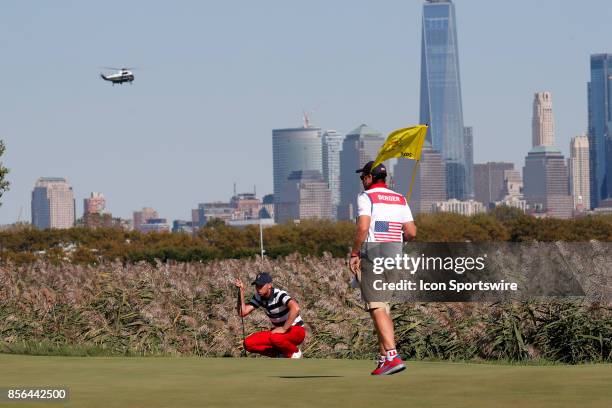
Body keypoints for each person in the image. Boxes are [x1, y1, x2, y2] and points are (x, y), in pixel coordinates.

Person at [349, 160, 417, 375]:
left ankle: (392, 356)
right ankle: (383, 360)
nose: (362, 181)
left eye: (363, 177)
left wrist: (354, 253)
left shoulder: (366, 196)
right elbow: (412, 232)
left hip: (373, 255)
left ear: (370, 177)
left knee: (376, 306)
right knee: (383, 308)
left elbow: (363, 227)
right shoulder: (400, 198)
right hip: (394, 257)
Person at [234, 272, 305, 358]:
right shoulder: (258, 297)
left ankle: (295, 353)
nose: (258, 289)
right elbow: (242, 312)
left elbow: (296, 308)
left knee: (275, 338)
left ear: (269, 285)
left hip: (296, 330)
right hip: (278, 334)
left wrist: (283, 328)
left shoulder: (279, 294)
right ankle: (280, 355)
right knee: (248, 344)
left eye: (261, 286)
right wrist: (241, 291)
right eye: (256, 286)